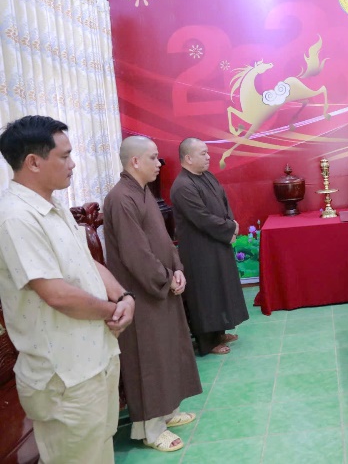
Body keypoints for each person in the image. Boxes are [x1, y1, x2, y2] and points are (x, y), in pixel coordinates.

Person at [0, 115, 134, 463]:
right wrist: (112, 312)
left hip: (95, 359)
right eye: (65, 155)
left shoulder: (53, 206)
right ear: (33, 162)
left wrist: (123, 296)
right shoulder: (16, 217)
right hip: (64, 376)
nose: (73, 164)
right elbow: (56, 294)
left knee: (99, 450)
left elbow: (85, 262)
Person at [103, 136, 202, 451]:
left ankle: (167, 412)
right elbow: (136, 254)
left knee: (167, 351)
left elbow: (162, 238)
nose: (159, 164)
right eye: (153, 158)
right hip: (141, 293)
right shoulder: (121, 198)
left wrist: (177, 268)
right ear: (135, 161)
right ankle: (150, 429)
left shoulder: (142, 191)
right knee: (149, 358)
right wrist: (164, 278)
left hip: (162, 286)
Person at [170, 137, 248, 355]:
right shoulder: (183, 186)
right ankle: (207, 342)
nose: (208, 157)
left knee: (220, 288)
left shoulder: (207, 176)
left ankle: (219, 332)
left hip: (216, 242)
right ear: (188, 158)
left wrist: (230, 224)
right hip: (199, 250)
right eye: (203, 153)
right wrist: (229, 228)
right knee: (206, 294)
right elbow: (201, 218)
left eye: (207, 152)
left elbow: (223, 203)